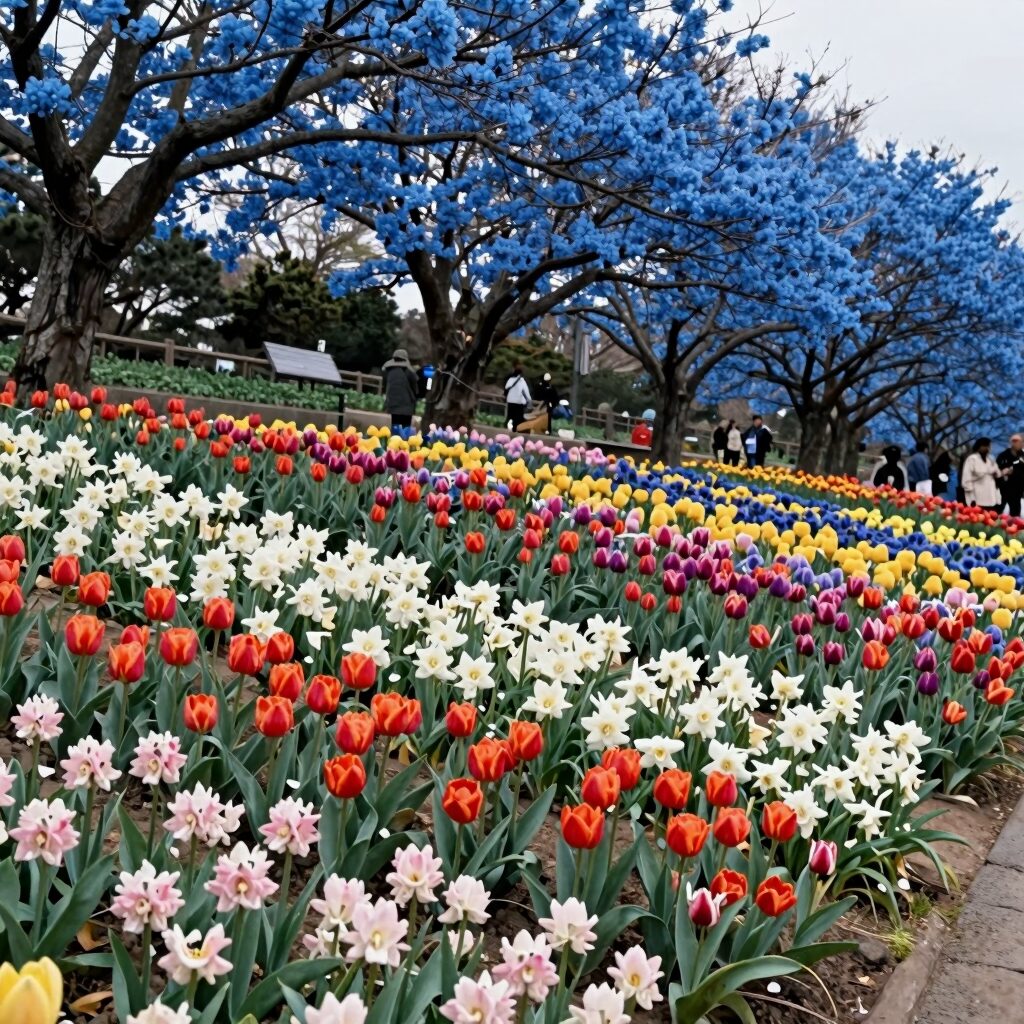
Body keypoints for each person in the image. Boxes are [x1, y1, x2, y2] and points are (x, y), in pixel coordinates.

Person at [962, 437, 1003, 512]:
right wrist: (971, 498)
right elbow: (966, 479)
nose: (988, 449)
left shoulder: (990, 460)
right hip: (977, 498)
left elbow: (998, 474)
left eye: (989, 447)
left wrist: (996, 473)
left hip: (991, 499)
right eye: (986, 446)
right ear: (980, 446)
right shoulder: (972, 459)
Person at [381, 349, 419, 430]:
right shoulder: (409, 371)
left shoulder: (388, 370)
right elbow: (415, 387)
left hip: (393, 405)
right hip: (407, 407)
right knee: (405, 430)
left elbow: (385, 385)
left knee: (395, 428)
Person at [997, 434, 1024, 517]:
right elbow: (997, 470)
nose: (1021, 444)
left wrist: (1014, 472)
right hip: (1003, 489)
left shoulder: (1022, 456)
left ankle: (1014, 527)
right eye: (1018, 442)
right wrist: (1004, 472)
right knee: (998, 510)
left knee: (1015, 512)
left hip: (1017, 489)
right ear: (1012, 443)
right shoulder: (1003, 456)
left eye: (1021, 442)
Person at [504, 364, 531, 431]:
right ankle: (515, 430)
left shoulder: (510, 379)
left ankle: (506, 428)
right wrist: (529, 400)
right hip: (518, 402)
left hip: (510, 401)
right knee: (518, 418)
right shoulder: (522, 381)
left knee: (510, 416)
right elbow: (526, 391)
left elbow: (506, 387)